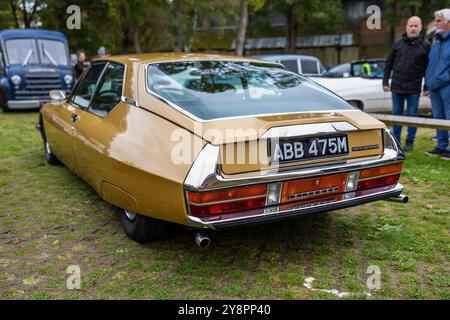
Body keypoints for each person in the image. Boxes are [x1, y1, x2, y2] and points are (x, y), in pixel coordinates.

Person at [383, 16, 430, 151]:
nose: (413, 28)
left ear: (420, 28)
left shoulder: (426, 45)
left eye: (416, 26)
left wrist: (426, 86)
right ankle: (396, 141)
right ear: (406, 27)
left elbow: (428, 68)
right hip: (397, 87)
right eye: (411, 26)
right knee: (397, 115)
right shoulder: (397, 44)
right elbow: (388, 63)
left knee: (412, 117)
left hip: (414, 88)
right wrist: (385, 81)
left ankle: (410, 142)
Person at [425, 9, 450, 160]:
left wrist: (446, 77)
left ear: (448, 22)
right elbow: (431, 63)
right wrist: (428, 83)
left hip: (447, 85)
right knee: (438, 117)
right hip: (434, 85)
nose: (436, 23)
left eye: (439, 20)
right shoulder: (436, 41)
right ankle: (441, 146)